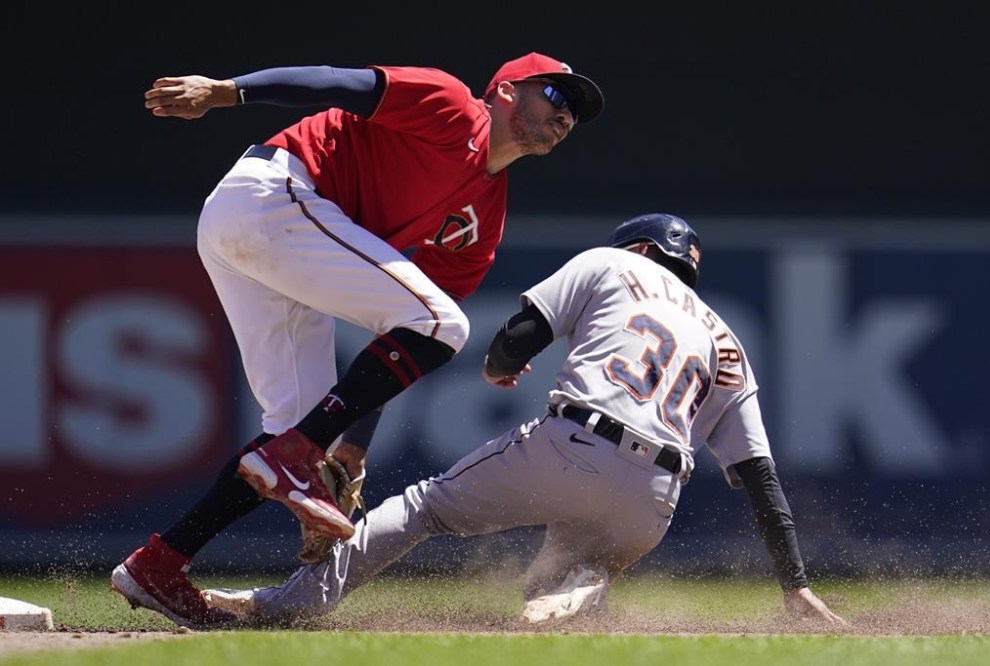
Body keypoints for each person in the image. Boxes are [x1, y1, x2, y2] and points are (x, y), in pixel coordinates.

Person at [110, 52, 605, 627]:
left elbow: (401, 337)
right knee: (443, 328)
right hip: (272, 195)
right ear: (506, 91)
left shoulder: (484, 215)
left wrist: (351, 445)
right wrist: (225, 92)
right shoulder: (451, 106)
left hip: (273, 238)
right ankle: (293, 457)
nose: (566, 114)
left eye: (575, 111)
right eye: (556, 96)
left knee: (297, 432)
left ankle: (160, 562)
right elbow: (338, 84)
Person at [199, 213, 847, 628]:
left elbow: (521, 335)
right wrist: (796, 586)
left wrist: (497, 367)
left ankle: (290, 604)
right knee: (549, 590)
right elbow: (761, 479)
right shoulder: (724, 338)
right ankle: (586, 578)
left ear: (641, 247)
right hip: (654, 499)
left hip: (578, 442)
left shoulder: (612, 262)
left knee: (424, 507)